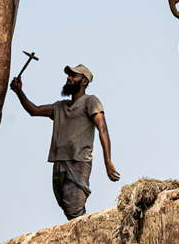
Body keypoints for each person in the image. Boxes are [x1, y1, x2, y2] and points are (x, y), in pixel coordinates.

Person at [10, 64, 120, 220]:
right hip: (59, 162)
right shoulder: (59, 107)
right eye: (69, 75)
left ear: (84, 81)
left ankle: (88, 237)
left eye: (74, 76)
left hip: (78, 161)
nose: (69, 78)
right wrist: (19, 91)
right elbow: (34, 110)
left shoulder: (90, 101)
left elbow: (102, 128)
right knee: (67, 207)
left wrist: (107, 161)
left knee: (75, 209)